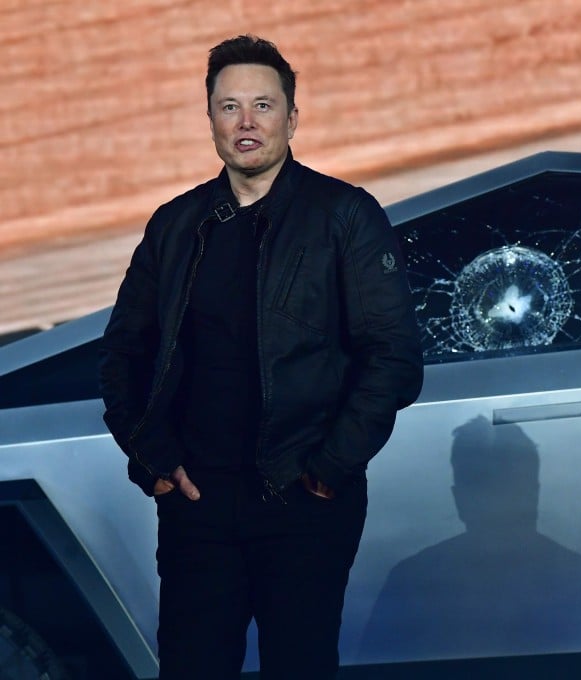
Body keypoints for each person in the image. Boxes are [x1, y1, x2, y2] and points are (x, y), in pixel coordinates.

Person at [98, 35, 423, 680]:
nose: (246, 122)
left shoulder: (345, 215)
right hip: (197, 504)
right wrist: (154, 461)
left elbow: (393, 357)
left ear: (292, 119)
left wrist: (328, 469)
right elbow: (123, 354)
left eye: (263, 106)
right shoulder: (175, 224)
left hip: (305, 500)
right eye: (230, 107)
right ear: (211, 120)